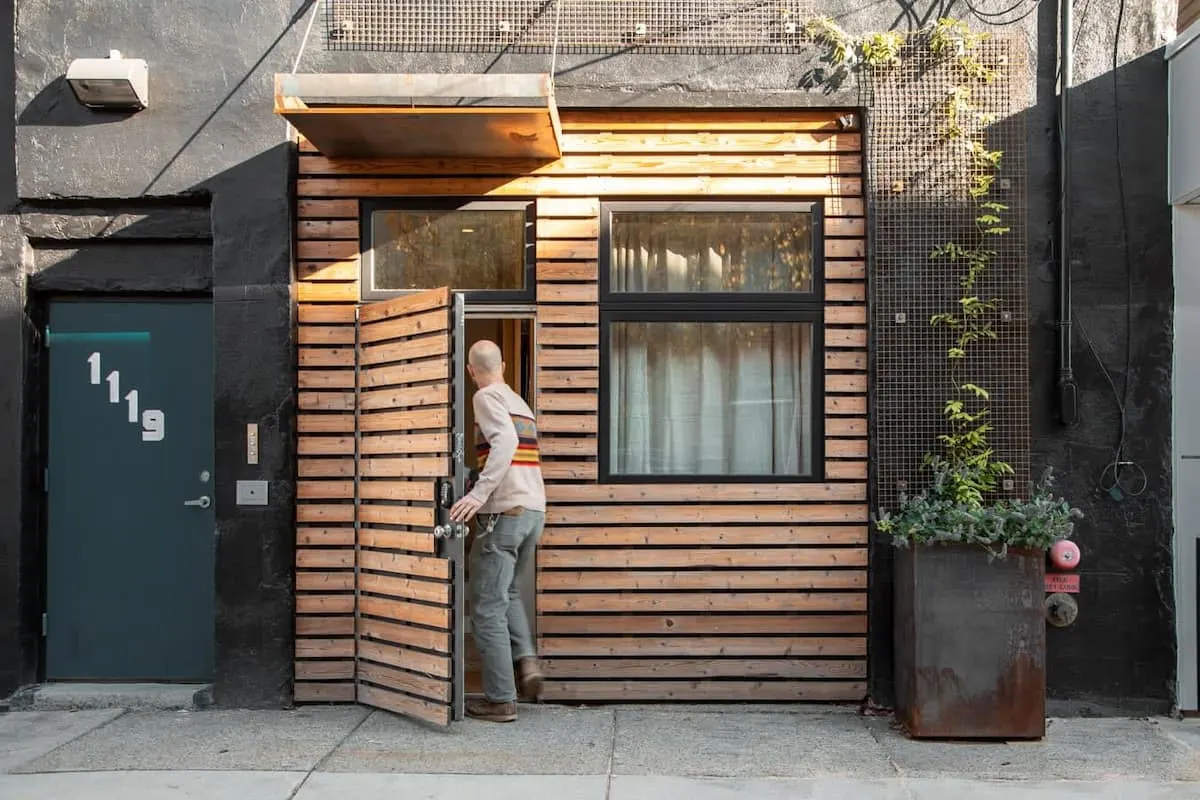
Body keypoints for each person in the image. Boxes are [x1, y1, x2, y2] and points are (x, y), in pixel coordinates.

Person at [449, 339, 546, 723]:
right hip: (533, 512)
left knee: (487, 608)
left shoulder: (486, 397)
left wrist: (478, 493)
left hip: (504, 513)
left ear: (471, 371)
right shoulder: (518, 402)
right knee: (506, 593)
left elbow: (504, 442)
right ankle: (526, 661)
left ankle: (501, 699)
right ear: (503, 364)